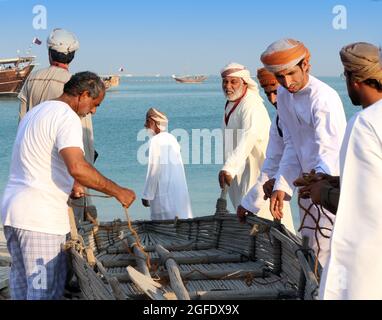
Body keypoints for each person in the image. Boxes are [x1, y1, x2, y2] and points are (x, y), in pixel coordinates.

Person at [1, 72, 136, 300]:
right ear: (83, 95)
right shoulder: (68, 117)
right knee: (43, 294)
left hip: (13, 216)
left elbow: (41, 160)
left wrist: (71, 185)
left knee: (22, 294)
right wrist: (118, 191)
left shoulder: (36, 112)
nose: (93, 111)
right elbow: (77, 167)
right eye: (95, 104)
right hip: (40, 223)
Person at [260, 39, 347, 266]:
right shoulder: (284, 96)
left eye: (290, 74)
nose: (287, 82)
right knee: (311, 248)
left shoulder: (323, 98)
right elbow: (291, 144)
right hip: (307, 188)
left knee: (333, 251)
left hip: (330, 186)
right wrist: (281, 184)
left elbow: (331, 149)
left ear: (306, 65)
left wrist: (318, 181)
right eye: (280, 77)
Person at [319, 42, 382, 299]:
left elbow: (362, 209)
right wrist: (336, 181)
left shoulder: (365, 124)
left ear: (352, 78)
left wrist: (322, 193)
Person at [18, 28, 96, 222]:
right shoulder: (76, 86)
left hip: (35, 173)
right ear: (73, 56)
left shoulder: (31, 80)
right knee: (71, 228)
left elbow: (23, 125)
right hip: (68, 173)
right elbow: (84, 138)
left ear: (49, 53)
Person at [237, 68, 295, 233]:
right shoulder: (279, 118)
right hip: (300, 188)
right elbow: (273, 161)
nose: (272, 99)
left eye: (276, 92)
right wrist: (248, 204)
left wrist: (280, 183)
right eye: (267, 93)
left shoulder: (318, 101)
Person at [219, 63, 271, 211]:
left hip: (256, 169)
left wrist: (229, 167)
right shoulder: (231, 104)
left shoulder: (251, 104)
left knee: (257, 214)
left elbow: (250, 135)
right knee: (242, 213)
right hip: (238, 170)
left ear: (244, 82)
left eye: (233, 81)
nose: (228, 86)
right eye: (225, 81)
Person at [142, 108, 193, 220]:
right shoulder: (172, 139)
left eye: (147, 121)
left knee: (163, 230)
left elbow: (153, 170)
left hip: (164, 198)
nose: (145, 125)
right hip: (179, 197)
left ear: (153, 122)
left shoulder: (155, 141)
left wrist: (147, 195)